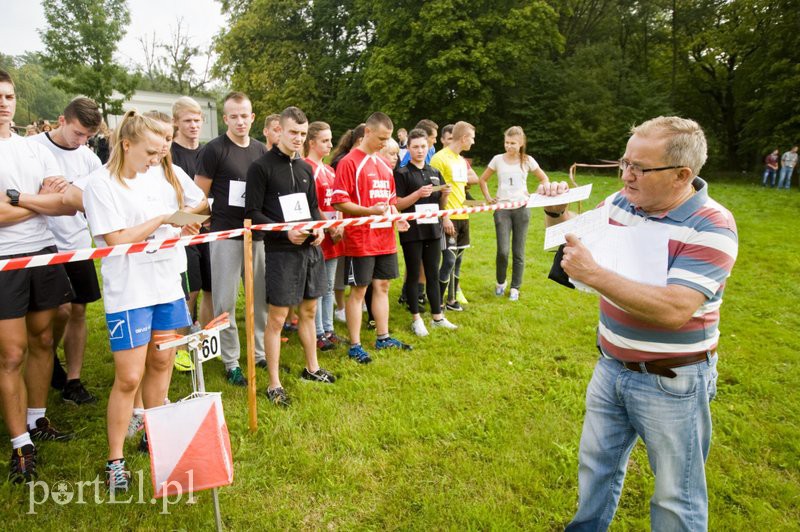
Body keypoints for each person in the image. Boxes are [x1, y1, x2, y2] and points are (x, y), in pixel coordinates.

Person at [541, 116, 738, 531]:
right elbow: (572, 247)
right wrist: (556, 212)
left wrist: (595, 275)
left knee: (675, 497)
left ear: (682, 175)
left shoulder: (712, 224)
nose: (626, 175)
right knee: (595, 471)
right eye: (624, 163)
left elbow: (673, 310)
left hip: (672, 381)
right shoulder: (619, 203)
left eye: (639, 168)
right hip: (610, 365)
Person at [82, 110, 199, 493]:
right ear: (125, 144)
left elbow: (199, 205)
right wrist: (164, 218)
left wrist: (188, 220)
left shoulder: (165, 172)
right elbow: (116, 239)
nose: (158, 157)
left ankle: (156, 433)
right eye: (151, 151)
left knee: (163, 359)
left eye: (162, 149)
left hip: (167, 283)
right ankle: (115, 458)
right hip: (129, 291)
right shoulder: (100, 184)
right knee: (129, 376)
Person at [0, 69, 77, 484]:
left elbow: (65, 203)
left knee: (45, 338)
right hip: (4, 261)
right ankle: (19, 445)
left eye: (9, 96)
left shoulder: (33, 149)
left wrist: (20, 200)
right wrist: (38, 201)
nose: (4, 103)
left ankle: (37, 419)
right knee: (11, 353)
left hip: (42, 253)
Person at [245, 107, 335, 407]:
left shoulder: (307, 168)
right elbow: (253, 214)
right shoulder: (261, 167)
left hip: (310, 250)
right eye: (293, 133)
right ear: (278, 131)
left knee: (309, 312)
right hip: (281, 252)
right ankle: (273, 383)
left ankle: (312, 368)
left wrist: (319, 229)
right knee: (278, 318)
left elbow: (312, 209)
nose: (298, 138)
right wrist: (285, 233)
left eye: (302, 133)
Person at [29, 97, 103, 405]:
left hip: (76, 243)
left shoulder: (88, 158)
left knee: (78, 310)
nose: (82, 141)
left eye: (88, 136)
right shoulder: (32, 148)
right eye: (77, 133)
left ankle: (72, 379)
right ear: (62, 121)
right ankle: (47, 360)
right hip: (43, 243)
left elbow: (95, 198)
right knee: (55, 312)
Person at [194, 92, 268, 386]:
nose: (240, 121)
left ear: (252, 117)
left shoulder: (261, 150)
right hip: (226, 234)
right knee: (225, 301)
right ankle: (231, 361)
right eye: (233, 116)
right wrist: (207, 221)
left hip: (257, 235)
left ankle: (260, 353)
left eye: (244, 116)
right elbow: (199, 194)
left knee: (259, 299)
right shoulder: (214, 150)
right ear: (225, 118)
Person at [332, 112, 412, 363]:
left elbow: (390, 201)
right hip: (360, 239)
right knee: (359, 290)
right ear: (367, 132)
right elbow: (340, 201)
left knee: (383, 286)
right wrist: (369, 212)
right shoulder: (349, 162)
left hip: (384, 238)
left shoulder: (384, 166)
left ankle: (383, 336)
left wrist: (397, 217)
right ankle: (355, 344)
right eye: (381, 138)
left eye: (388, 138)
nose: (385, 143)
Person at [394, 128, 457, 336]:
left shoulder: (434, 173)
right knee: (413, 274)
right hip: (412, 231)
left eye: (423, 146)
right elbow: (399, 204)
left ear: (428, 147)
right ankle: (416, 318)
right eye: (415, 147)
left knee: (432, 272)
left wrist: (445, 196)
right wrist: (418, 194)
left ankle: (437, 317)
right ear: (409, 148)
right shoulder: (402, 173)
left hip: (432, 229)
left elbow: (440, 205)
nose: (420, 150)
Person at [478, 126, 550, 301]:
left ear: (521, 143)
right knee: (503, 250)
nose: (509, 146)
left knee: (519, 251)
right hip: (502, 209)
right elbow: (483, 179)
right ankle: (500, 283)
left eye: (513, 143)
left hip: (521, 209)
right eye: (506, 142)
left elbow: (544, 178)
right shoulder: (497, 159)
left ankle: (515, 287)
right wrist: (488, 197)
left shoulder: (527, 160)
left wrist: (535, 194)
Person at [171, 96, 213, 329]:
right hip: (182, 230)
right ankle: (183, 343)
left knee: (211, 287)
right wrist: (191, 220)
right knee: (191, 289)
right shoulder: (169, 153)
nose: (194, 125)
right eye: (187, 120)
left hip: (209, 228)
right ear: (176, 121)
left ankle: (204, 338)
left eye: (197, 120)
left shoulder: (209, 151)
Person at [304, 121, 345, 351]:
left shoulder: (330, 170)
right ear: (312, 143)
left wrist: (338, 224)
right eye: (324, 140)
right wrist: (328, 225)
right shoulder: (306, 167)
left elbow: (337, 199)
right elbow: (313, 203)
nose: (330, 144)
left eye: (330, 140)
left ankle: (329, 329)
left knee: (329, 285)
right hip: (319, 235)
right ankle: (318, 331)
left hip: (334, 234)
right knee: (318, 287)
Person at [430, 121, 478, 312]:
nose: (473, 142)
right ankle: (438, 303)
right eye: (472, 138)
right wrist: (445, 217)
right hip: (447, 218)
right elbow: (434, 191)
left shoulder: (461, 161)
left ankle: (451, 300)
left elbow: (461, 190)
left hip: (463, 216)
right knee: (448, 260)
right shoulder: (439, 159)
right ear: (464, 138)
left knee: (457, 261)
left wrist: (478, 204)